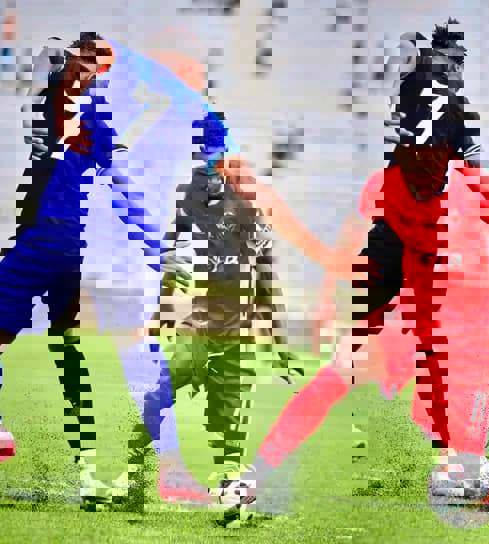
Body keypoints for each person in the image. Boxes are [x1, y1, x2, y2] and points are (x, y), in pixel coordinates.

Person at [214, 19, 489, 521]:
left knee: (451, 439)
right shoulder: (397, 181)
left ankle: (453, 469)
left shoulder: (475, 183)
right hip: (418, 313)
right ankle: (257, 477)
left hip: (462, 323)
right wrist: (332, 305)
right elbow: (360, 244)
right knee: (342, 375)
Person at [0, 31, 163, 508]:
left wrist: (149, 240)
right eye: (84, 57)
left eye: (98, 63)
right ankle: (89, 469)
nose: (87, 67)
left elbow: (121, 177)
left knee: (69, 349)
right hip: (39, 235)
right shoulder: (53, 93)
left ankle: (92, 469)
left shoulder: (97, 117)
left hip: (71, 243)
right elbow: (46, 65)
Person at [125, 110, 304, 509]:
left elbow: (266, 283)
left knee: (228, 420)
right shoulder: (196, 198)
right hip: (198, 329)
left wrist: (279, 345)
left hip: (234, 335)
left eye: (218, 159)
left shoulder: (248, 212)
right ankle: (132, 468)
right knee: (162, 396)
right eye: (209, 159)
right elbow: (173, 260)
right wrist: (158, 317)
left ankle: (229, 482)